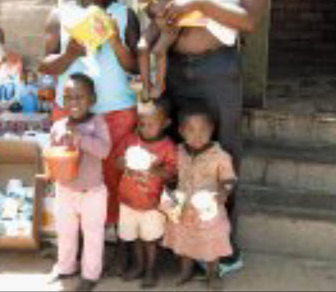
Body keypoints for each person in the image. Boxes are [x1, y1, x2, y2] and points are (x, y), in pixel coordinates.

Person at [159, 0, 272, 273]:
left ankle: (223, 249)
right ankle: (180, 245)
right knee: (175, 154)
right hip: (174, 66)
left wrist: (199, 4)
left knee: (221, 154)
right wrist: (158, 7)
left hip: (217, 68)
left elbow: (250, 19)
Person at [38, 0, 141, 251]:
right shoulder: (61, 14)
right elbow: (46, 66)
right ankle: (73, 249)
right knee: (72, 180)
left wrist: (115, 41)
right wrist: (69, 53)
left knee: (112, 180)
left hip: (117, 112)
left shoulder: (125, 15)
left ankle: (107, 248)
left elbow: (135, 65)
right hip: (71, 116)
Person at [46, 73, 111, 292]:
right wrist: (49, 171)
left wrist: (80, 138)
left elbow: (104, 150)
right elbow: (52, 154)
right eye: (68, 97)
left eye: (80, 97)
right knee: (65, 232)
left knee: (93, 234)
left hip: (92, 192)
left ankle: (90, 274)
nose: (73, 102)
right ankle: (65, 267)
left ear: (92, 99)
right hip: (64, 190)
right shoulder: (58, 125)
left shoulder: (97, 122)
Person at [162, 103, 237, 290]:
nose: (197, 135)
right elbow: (171, 175)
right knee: (183, 240)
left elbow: (229, 179)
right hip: (183, 208)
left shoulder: (220, 156)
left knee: (212, 241)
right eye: (191, 130)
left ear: (212, 129)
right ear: (181, 131)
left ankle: (213, 273)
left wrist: (224, 191)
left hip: (208, 211)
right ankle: (186, 271)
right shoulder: (178, 152)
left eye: (203, 130)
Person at [112, 100, 177, 288]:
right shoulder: (130, 140)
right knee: (134, 238)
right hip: (127, 201)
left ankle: (151, 270)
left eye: (151, 124)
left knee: (150, 240)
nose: (145, 128)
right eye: (141, 123)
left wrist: (156, 171)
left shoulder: (167, 147)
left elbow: (173, 173)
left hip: (152, 205)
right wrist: (121, 162)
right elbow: (116, 161)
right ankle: (139, 266)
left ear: (165, 124)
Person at [137, 0, 187, 100]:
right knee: (142, 47)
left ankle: (159, 85)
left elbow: (190, 1)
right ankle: (146, 85)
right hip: (156, 22)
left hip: (171, 25)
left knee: (159, 50)